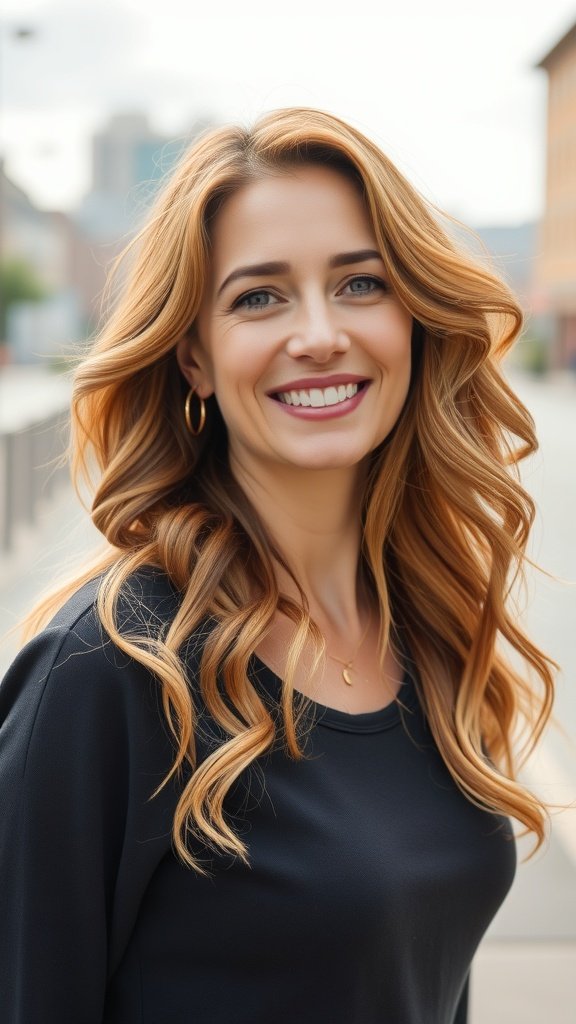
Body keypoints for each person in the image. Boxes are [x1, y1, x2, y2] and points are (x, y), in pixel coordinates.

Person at [0, 108, 555, 1024]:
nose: (319, 334)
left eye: (360, 284)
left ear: (413, 319)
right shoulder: (109, 672)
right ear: (195, 357)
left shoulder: (428, 628)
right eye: (259, 297)